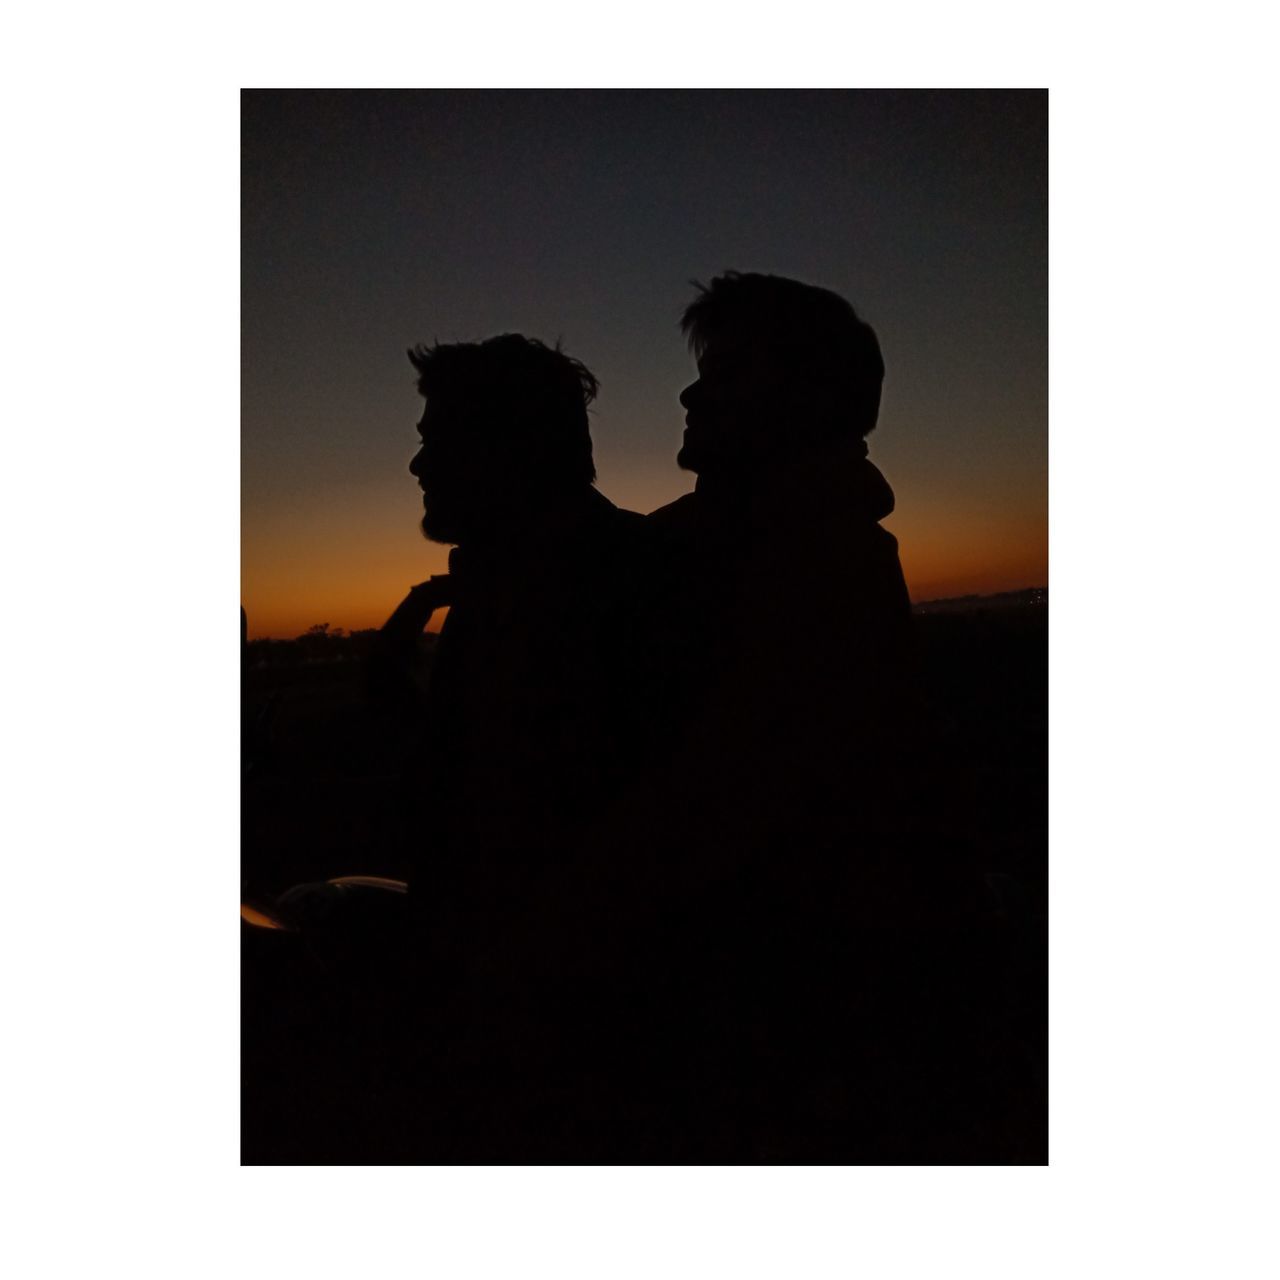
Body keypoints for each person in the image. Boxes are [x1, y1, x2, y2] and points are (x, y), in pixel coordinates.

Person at [385, 333, 662, 1159]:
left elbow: (529, 826)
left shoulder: (589, 590)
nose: (417, 466)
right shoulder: (526, 576)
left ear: (510, 449)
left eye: (437, 442)